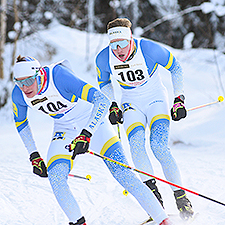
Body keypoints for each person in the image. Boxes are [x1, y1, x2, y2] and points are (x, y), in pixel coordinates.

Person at [12, 55, 172, 225]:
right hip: (64, 129)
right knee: (56, 177)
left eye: (28, 81)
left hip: (94, 122)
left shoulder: (59, 77)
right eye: (19, 82)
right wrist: (34, 156)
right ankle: (78, 222)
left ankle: (162, 219)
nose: (25, 88)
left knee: (122, 173)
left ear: (39, 75)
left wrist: (87, 133)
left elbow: (102, 100)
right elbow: (21, 125)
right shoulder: (19, 94)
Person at [95, 17, 194, 220]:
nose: (118, 50)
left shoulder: (148, 49)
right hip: (131, 103)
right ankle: (154, 201)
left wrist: (179, 100)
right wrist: (113, 104)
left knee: (158, 146)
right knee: (136, 146)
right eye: (113, 45)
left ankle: (181, 197)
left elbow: (175, 68)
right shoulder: (103, 58)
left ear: (131, 39)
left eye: (122, 44)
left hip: (155, 99)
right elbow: (104, 83)